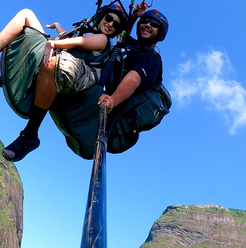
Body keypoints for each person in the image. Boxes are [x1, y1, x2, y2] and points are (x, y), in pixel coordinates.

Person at [0, 5, 128, 162]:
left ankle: (30, 134)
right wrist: (58, 27)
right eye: (109, 18)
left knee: (50, 63)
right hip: (61, 55)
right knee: (26, 14)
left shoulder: (103, 40)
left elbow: (79, 43)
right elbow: (71, 37)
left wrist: (54, 43)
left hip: (75, 74)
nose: (111, 23)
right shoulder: (85, 32)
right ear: (101, 18)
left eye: (115, 24)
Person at [45, 7, 169, 160]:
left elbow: (133, 79)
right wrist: (136, 16)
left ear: (160, 33)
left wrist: (113, 99)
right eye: (145, 21)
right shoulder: (129, 45)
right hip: (86, 91)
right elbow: (123, 33)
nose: (148, 25)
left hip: (97, 107)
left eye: (154, 24)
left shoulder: (151, 59)